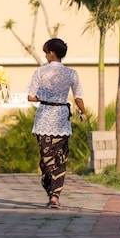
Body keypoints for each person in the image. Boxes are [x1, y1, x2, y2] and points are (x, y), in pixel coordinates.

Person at [26, 37, 87, 209]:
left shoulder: (40, 72)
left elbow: (30, 96)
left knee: (46, 160)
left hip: (44, 118)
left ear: (52, 53)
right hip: (61, 118)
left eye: (46, 52)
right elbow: (78, 98)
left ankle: (52, 194)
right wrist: (83, 112)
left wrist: (44, 97)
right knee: (60, 159)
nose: (45, 55)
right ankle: (55, 196)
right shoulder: (71, 73)